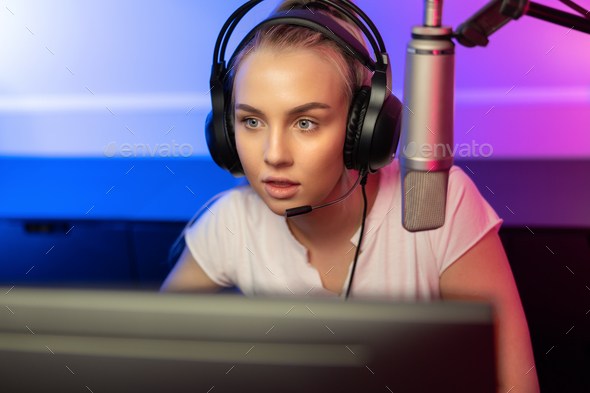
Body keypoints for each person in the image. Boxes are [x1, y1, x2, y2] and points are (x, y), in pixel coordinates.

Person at [160, 1, 539, 392]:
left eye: (305, 122)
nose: (273, 154)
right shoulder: (232, 221)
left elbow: (515, 386)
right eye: (251, 121)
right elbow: (147, 358)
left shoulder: (439, 203)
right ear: (224, 130)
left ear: (365, 129)